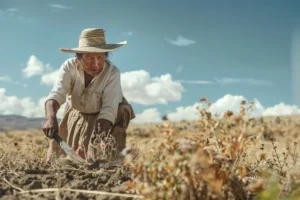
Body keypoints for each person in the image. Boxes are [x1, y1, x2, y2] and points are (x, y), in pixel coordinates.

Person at [42, 28, 135, 162]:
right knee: (63, 160)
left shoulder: (112, 73)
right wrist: (50, 118)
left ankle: (113, 165)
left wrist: (95, 142)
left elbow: (109, 108)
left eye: (100, 57)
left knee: (101, 160)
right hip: (77, 111)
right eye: (89, 58)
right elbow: (57, 93)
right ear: (78, 57)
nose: (95, 64)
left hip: (106, 118)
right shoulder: (69, 67)